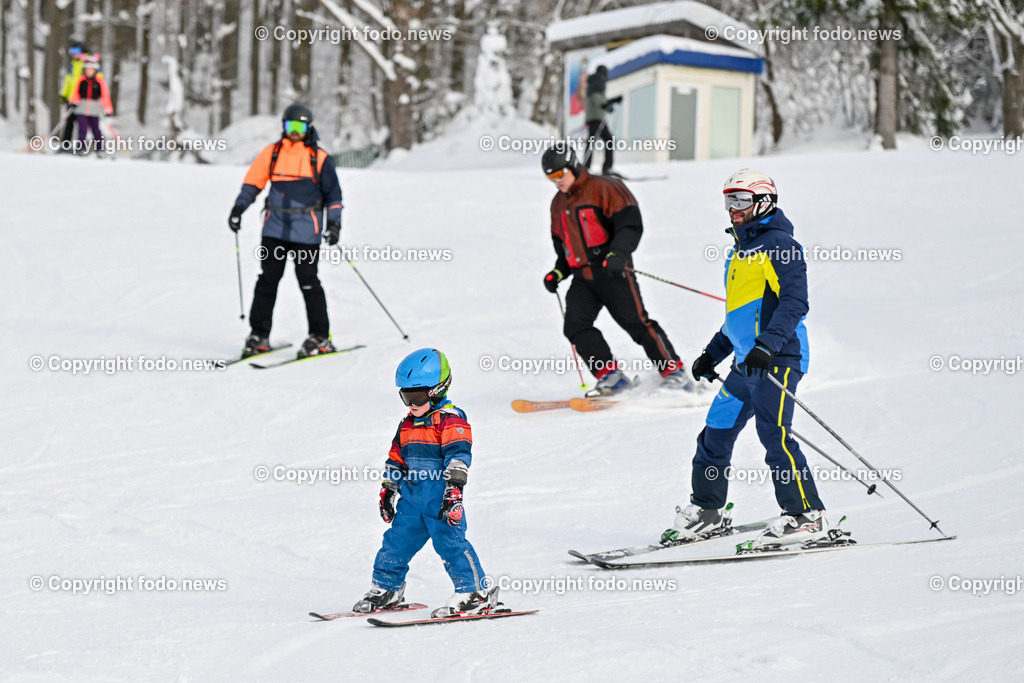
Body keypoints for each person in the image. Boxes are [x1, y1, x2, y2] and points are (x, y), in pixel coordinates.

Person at [662, 169, 830, 550]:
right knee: (715, 430)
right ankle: (708, 511)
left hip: (779, 358)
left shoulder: (781, 245)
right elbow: (738, 316)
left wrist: (768, 346)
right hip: (746, 361)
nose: (732, 209)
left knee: (775, 436)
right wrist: (712, 353)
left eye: (740, 201)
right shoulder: (738, 252)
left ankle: (807, 516)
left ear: (764, 201)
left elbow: (794, 302)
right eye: (728, 201)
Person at [353, 349, 499, 618]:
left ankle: (474, 593)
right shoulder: (407, 424)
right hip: (412, 498)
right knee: (396, 542)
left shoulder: (450, 419)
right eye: (405, 397)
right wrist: (389, 489)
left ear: (438, 389)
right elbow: (396, 458)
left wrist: (454, 491)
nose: (410, 404)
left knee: (450, 543)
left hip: (439, 497)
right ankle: (387, 588)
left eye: (416, 397)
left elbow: (459, 455)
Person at [541, 143, 694, 395]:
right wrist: (557, 272)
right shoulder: (558, 204)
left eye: (559, 175)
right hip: (583, 278)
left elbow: (630, 225)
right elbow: (563, 248)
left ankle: (674, 372)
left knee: (636, 322)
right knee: (575, 325)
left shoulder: (605, 188)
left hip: (611, 271)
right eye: (550, 178)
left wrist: (618, 254)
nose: (556, 182)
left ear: (572, 165)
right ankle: (611, 376)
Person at [229, 103, 344, 359]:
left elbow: (334, 197)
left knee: (308, 282)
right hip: (274, 230)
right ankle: (258, 335)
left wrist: (334, 224)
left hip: (307, 234)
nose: (294, 132)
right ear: (283, 127)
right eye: (290, 126)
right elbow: (252, 184)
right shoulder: (271, 154)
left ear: (308, 128)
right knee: (267, 282)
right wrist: (238, 209)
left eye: (299, 127)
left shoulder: (320, 158)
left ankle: (320, 336)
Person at [67, 55, 112, 155]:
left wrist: (107, 109)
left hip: (94, 109)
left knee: (96, 130)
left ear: (95, 70)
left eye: (91, 69)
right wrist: (72, 103)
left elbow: (105, 96)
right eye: (87, 69)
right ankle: (81, 148)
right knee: (82, 129)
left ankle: (100, 149)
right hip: (82, 108)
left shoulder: (99, 82)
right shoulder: (81, 80)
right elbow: (76, 94)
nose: (89, 71)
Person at [583, 65, 622, 176]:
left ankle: (606, 168)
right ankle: (586, 167)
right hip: (595, 118)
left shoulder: (599, 83)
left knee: (607, 140)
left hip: (599, 118)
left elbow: (601, 99)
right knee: (592, 142)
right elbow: (596, 98)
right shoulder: (596, 81)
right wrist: (605, 105)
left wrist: (612, 101)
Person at [58, 40, 88, 149]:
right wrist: (64, 95)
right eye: (72, 51)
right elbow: (68, 81)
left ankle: (82, 147)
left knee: (82, 125)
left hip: (84, 100)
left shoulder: (87, 63)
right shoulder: (72, 64)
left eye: (76, 51)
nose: (73, 53)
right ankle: (65, 145)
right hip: (72, 100)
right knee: (69, 123)